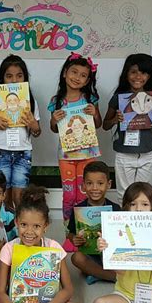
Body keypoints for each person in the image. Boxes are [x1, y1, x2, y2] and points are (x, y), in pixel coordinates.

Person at [48, 52, 101, 234]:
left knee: (84, 194)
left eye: (83, 75)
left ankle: (85, 233)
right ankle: (69, 234)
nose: (77, 78)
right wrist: (54, 119)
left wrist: (94, 113)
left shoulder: (90, 100)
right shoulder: (57, 101)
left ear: (87, 80)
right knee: (69, 195)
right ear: (65, 73)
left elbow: (98, 124)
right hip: (66, 155)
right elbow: (54, 128)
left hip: (88, 155)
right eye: (74, 72)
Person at [102, 54, 152, 203]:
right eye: (133, 72)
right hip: (125, 153)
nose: (138, 76)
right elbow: (105, 125)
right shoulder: (119, 98)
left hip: (148, 152)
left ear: (149, 76)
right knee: (124, 194)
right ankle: (123, 225)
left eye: (143, 73)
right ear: (126, 74)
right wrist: (115, 120)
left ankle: (140, 224)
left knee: (144, 193)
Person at [0, 55, 40, 208]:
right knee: (2, 195)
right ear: (2, 78)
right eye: (9, 76)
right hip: (2, 152)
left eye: (19, 76)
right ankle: (5, 229)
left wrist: (34, 125)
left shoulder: (30, 101)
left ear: (25, 78)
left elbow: (37, 132)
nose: (14, 80)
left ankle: (19, 228)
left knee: (19, 197)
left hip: (23, 152)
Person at [68, 161, 120, 284]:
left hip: (111, 257)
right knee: (76, 258)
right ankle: (112, 277)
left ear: (109, 184)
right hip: (90, 257)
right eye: (89, 183)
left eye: (100, 183)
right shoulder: (78, 210)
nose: (95, 188)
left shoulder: (116, 209)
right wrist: (74, 239)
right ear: (83, 186)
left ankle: (96, 273)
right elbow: (70, 234)